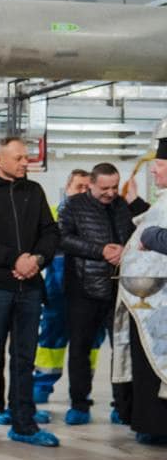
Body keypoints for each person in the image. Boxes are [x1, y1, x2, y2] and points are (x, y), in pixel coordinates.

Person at [0, 137, 59, 447]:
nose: (25, 162)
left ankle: (24, 424)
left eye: (26, 157)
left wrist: (36, 260)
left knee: (24, 359)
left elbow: (50, 232)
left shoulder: (34, 191)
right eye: (18, 158)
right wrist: (13, 260)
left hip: (29, 287)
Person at [57, 162, 137, 426]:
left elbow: (134, 235)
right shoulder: (73, 206)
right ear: (91, 184)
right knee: (80, 349)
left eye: (115, 187)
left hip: (118, 289)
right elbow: (62, 239)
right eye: (105, 188)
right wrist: (100, 250)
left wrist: (124, 250)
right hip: (83, 289)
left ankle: (121, 405)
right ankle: (79, 404)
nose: (110, 193)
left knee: (120, 348)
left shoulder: (121, 205)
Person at [116, 131, 167, 446]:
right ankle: (151, 422)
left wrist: (149, 238)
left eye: (160, 164)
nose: (154, 170)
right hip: (150, 299)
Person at [32, 170, 92, 412]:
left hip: (88, 291)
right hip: (56, 291)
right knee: (50, 340)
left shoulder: (95, 217)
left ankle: (81, 394)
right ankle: (42, 385)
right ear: (68, 187)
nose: (82, 192)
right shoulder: (53, 215)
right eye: (78, 187)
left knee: (90, 343)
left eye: (88, 188)